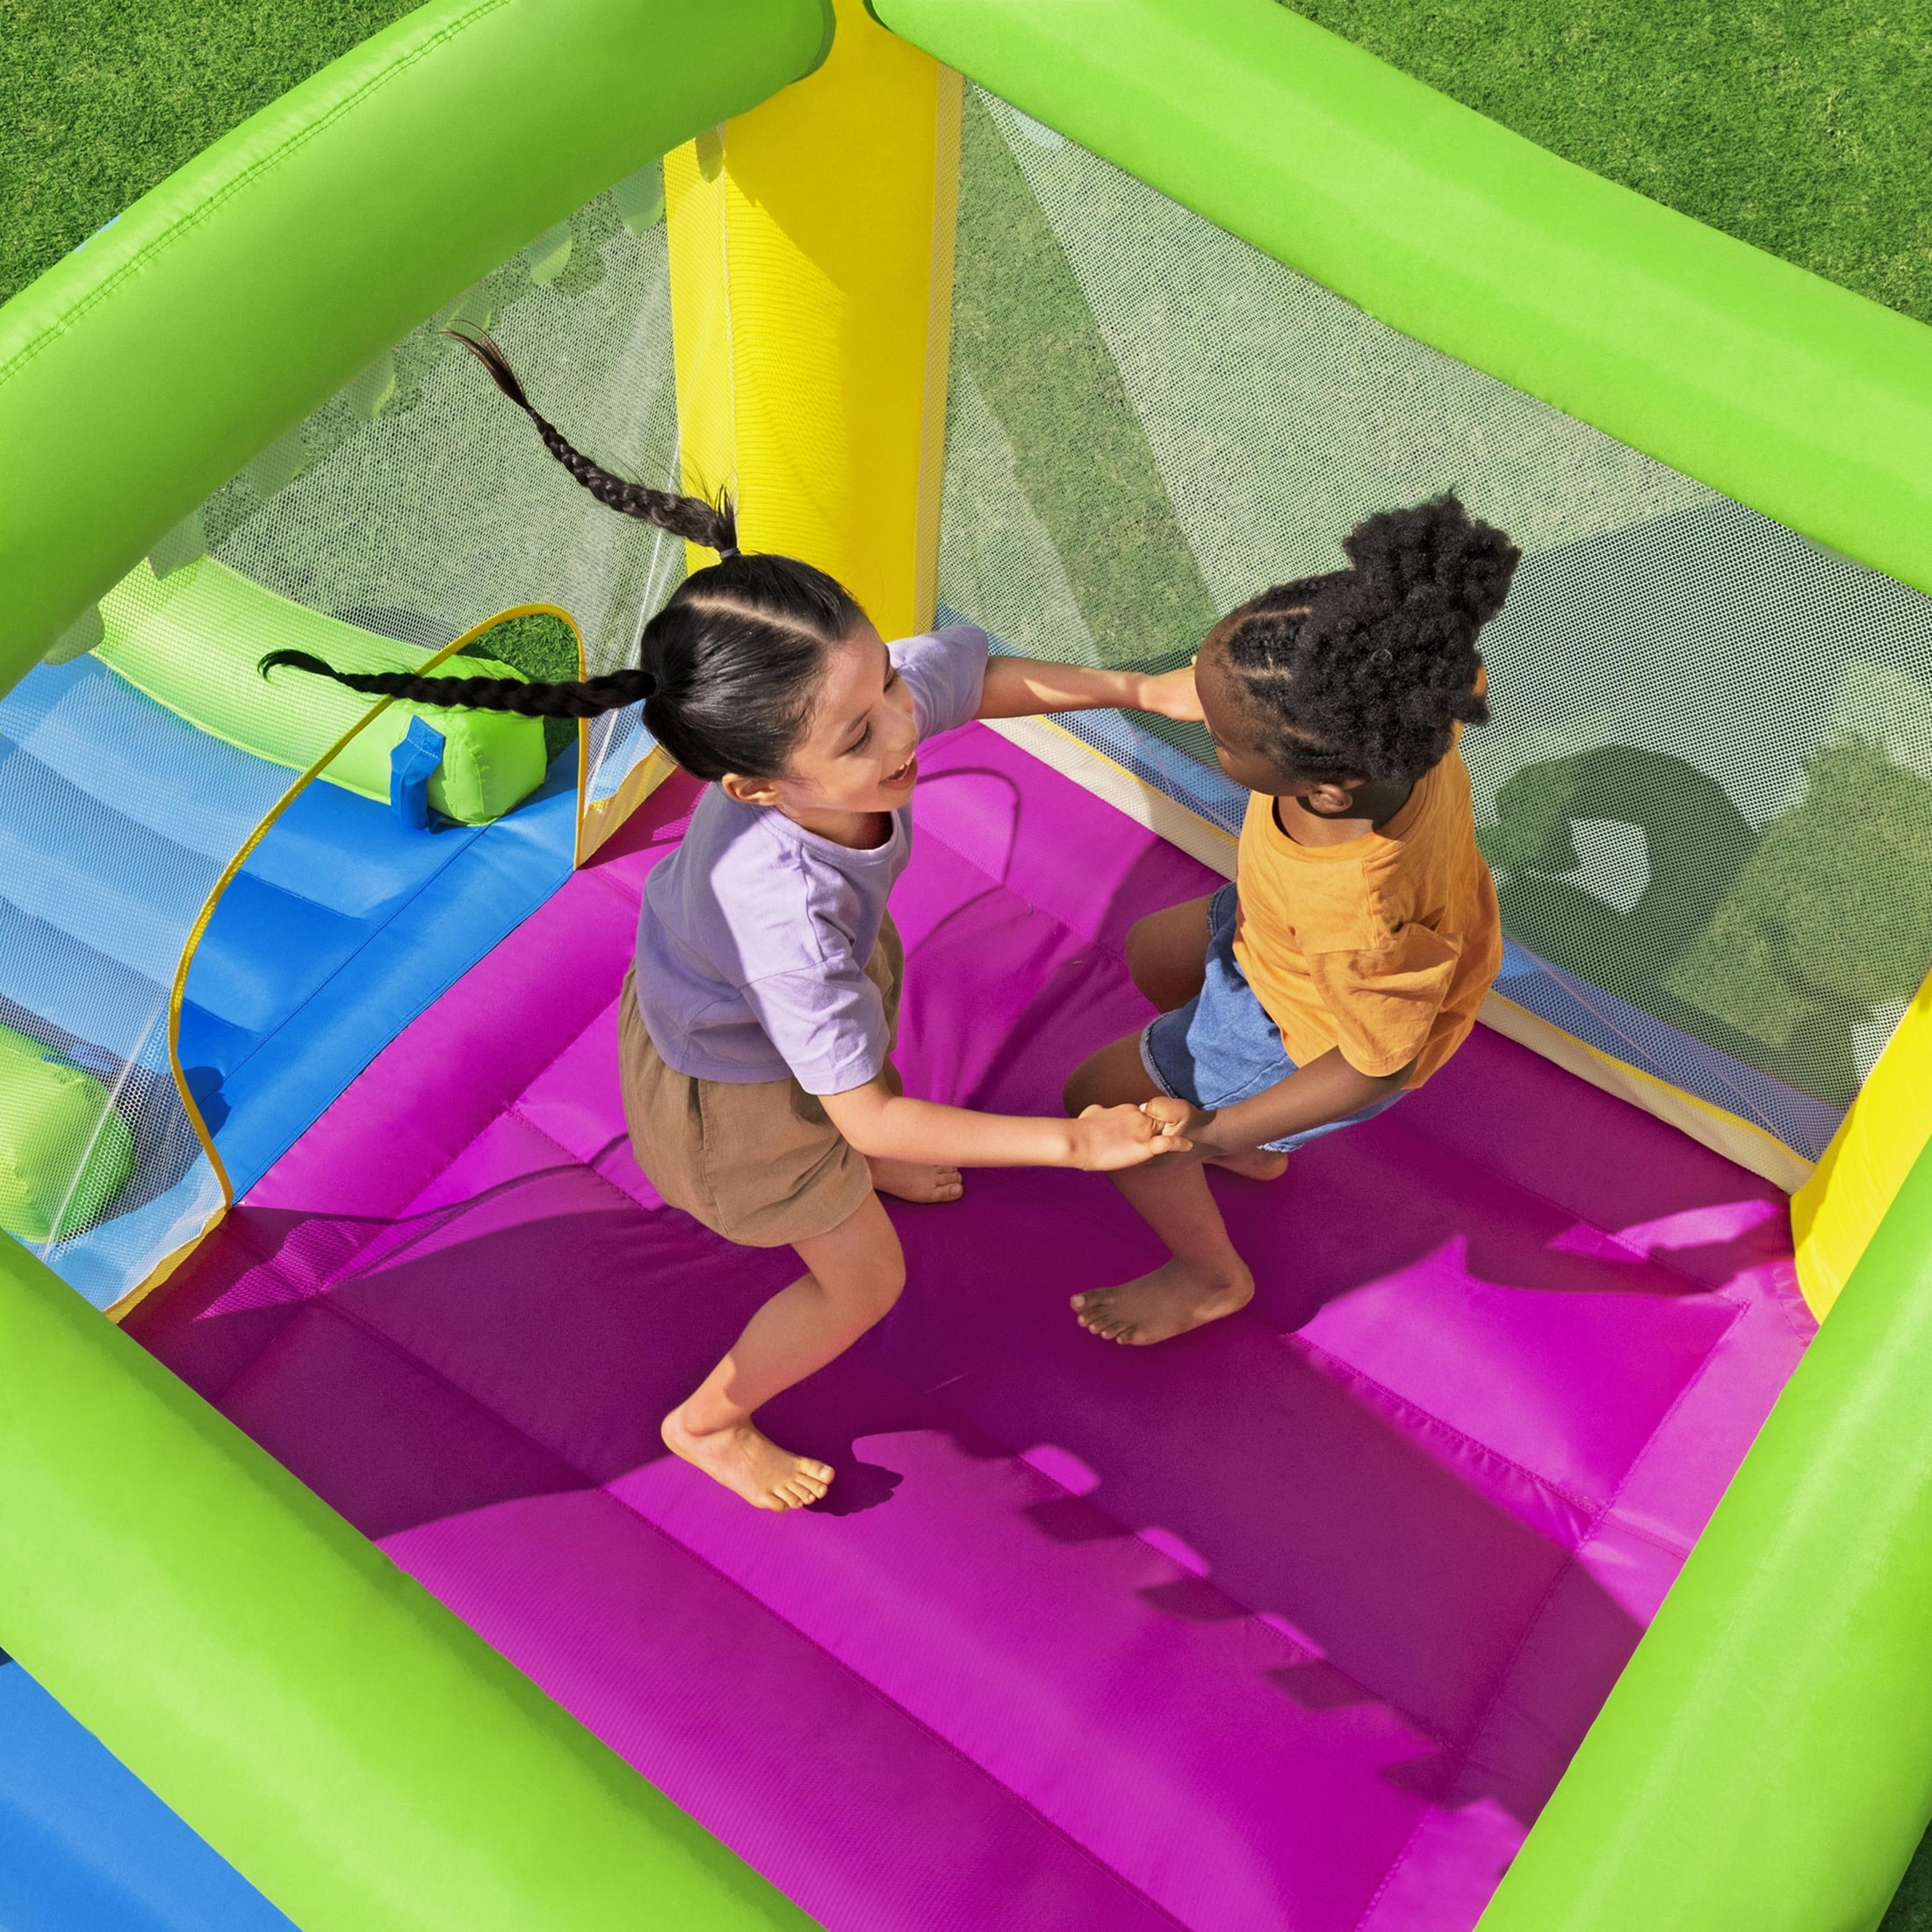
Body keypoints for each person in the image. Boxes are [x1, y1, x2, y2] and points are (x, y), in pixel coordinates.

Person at [262, 331, 1198, 1511]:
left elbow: (975, 680)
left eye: (885, 687)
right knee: (863, 1279)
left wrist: (1141, 690)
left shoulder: (836, 705)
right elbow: (861, 1104)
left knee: (863, 1065)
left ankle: (862, 1175)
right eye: (859, 735)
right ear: (753, 787)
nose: (902, 728)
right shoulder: (787, 916)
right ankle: (708, 1421)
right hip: (739, 1098)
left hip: (766, 993)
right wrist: (1074, 1146)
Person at [1063, 495, 1520, 1345]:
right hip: (1275, 929)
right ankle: (1255, 1143)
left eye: (1223, 737)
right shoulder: (1412, 703)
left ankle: (1210, 1274)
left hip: (1296, 1025)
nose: (1206, 727)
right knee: (1153, 953)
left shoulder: (1356, 912)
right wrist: (1219, 692)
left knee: (1104, 1103)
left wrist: (1215, 1131)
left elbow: (1380, 1063)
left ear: (1324, 788)